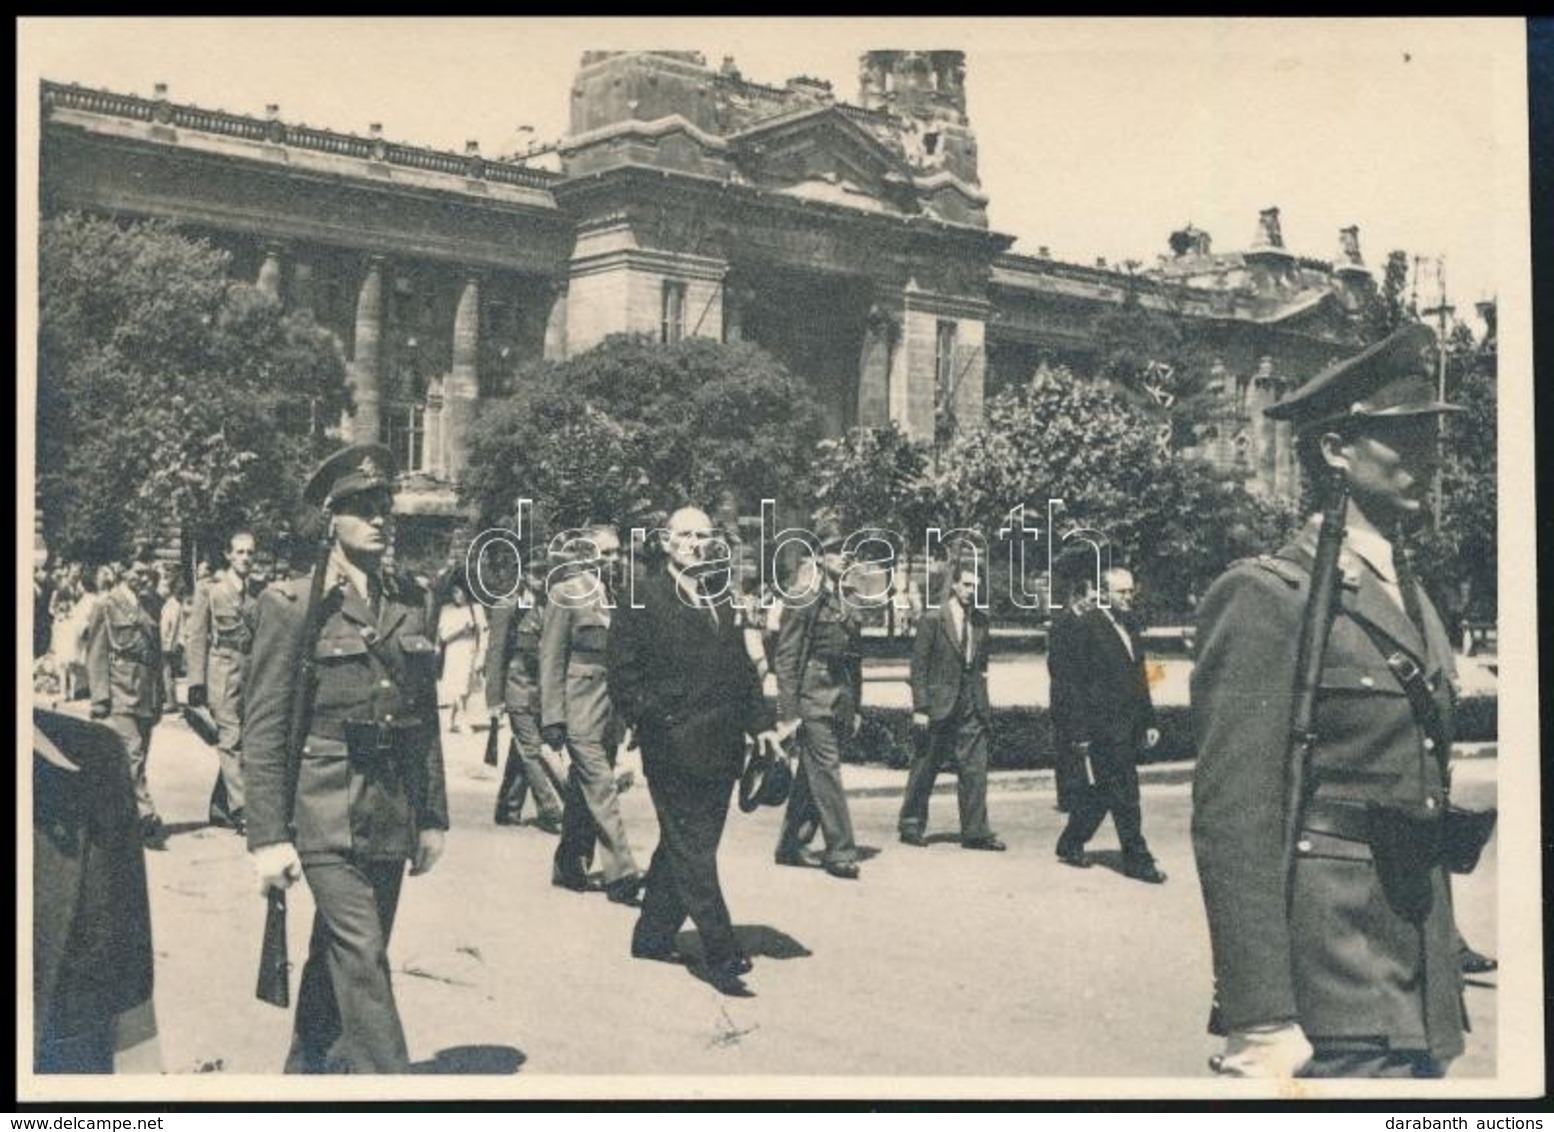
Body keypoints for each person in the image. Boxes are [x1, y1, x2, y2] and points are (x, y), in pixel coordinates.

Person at [1191, 323, 1469, 1078]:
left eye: (1428, 438)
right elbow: (1234, 819)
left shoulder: (1407, 592)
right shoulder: (1268, 597)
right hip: (1333, 974)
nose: (1426, 458)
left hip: (1417, 969)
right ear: (1336, 450)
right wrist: (1259, 1014)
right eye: (1399, 440)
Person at [243, 443, 448, 1074]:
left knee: (343, 953)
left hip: (389, 806)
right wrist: (268, 836)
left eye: (384, 505)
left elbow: (424, 718)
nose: (379, 519)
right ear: (331, 518)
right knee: (363, 959)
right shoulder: (295, 604)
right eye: (361, 507)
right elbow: (266, 725)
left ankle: (303, 1080)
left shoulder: (413, 598)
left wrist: (433, 814)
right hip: (324, 808)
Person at [607, 506, 780, 996]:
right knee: (693, 847)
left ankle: (652, 935)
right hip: (672, 746)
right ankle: (721, 950)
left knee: (686, 845)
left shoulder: (719, 594)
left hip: (722, 746)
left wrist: (761, 725)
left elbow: (742, 670)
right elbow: (622, 676)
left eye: (704, 535)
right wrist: (655, 719)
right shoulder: (640, 596)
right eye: (684, 535)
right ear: (664, 541)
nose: (695, 543)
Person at [542, 525, 644, 905]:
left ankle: (569, 863)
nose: (614, 559)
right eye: (607, 552)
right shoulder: (565, 593)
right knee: (601, 784)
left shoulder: (618, 597)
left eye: (618, 552)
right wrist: (552, 716)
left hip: (611, 708)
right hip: (579, 703)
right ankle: (622, 873)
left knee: (586, 791)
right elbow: (550, 657)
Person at [1052, 566, 1167, 884]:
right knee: (1127, 793)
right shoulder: (1086, 627)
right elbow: (1071, 684)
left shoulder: (1129, 625)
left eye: (1131, 591)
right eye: (1121, 592)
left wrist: (1149, 720)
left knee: (1103, 792)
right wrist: (1078, 732)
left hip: (1128, 725)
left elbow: (1139, 678)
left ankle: (1071, 841)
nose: (1128, 597)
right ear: (1103, 593)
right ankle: (1138, 860)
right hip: (1101, 727)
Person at [772, 528, 863, 880]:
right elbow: (786, 656)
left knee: (812, 772)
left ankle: (790, 844)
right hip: (812, 692)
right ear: (822, 558)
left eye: (850, 554)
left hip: (839, 692)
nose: (846, 559)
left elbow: (854, 661)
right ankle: (841, 851)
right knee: (826, 768)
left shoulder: (847, 599)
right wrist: (789, 712)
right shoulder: (805, 596)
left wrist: (856, 706)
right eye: (838, 552)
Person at [898, 559, 1005, 851]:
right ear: (955, 584)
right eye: (966, 584)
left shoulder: (981, 621)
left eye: (975, 586)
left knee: (974, 769)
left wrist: (983, 702)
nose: (971, 590)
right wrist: (921, 707)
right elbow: (918, 666)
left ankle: (976, 832)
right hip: (938, 705)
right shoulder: (934, 619)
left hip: (971, 706)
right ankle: (911, 824)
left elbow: (981, 665)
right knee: (925, 766)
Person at [85, 547, 167, 850]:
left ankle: (111, 819)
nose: (144, 577)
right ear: (123, 571)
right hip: (120, 691)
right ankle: (146, 818)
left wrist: (163, 695)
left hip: (145, 692)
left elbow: (155, 656)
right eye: (138, 572)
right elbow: (96, 652)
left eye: (148, 572)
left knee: (136, 758)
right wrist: (100, 698)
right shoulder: (107, 605)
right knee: (131, 754)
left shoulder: (150, 605)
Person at [485, 559, 565, 832]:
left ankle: (507, 808)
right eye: (535, 573)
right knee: (531, 749)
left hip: (540, 689)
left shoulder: (550, 606)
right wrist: (494, 699)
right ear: (523, 575)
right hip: (516, 686)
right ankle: (552, 811)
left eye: (545, 573)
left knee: (523, 747)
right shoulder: (508, 606)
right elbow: (495, 653)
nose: (541, 579)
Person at [187, 531, 259, 832]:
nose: (245, 558)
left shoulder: (259, 591)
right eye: (239, 552)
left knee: (242, 738)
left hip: (250, 673)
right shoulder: (210, 590)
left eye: (250, 553)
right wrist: (195, 683)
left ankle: (220, 807)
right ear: (229, 555)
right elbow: (196, 635)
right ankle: (242, 809)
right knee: (231, 740)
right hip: (222, 672)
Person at [1047, 549, 1099, 814]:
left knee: (1081, 745)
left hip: (1082, 692)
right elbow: (1057, 666)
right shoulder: (1062, 624)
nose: (1093, 603)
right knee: (1066, 746)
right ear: (1078, 597)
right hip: (1065, 694)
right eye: (1090, 599)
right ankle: (1068, 797)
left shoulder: (1089, 623)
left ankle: (1081, 794)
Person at [436, 577, 483, 733]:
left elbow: (483, 632)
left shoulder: (476, 609)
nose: (458, 595)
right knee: (458, 688)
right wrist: (460, 631)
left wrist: (481, 654)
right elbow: (443, 636)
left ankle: (450, 719)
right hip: (454, 652)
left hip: (470, 651)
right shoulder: (446, 610)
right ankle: (463, 720)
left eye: (461, 592)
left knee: (466, 689)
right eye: (455, 592)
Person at [156, 568, 185, 714]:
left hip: (168, 644)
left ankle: (170, 701)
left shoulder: (172, 605)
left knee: (168, 673)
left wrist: (165, 644)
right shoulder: (173, 604)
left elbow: (168, 627)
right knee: (170, 674)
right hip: (172, 643)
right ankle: (170, 699)